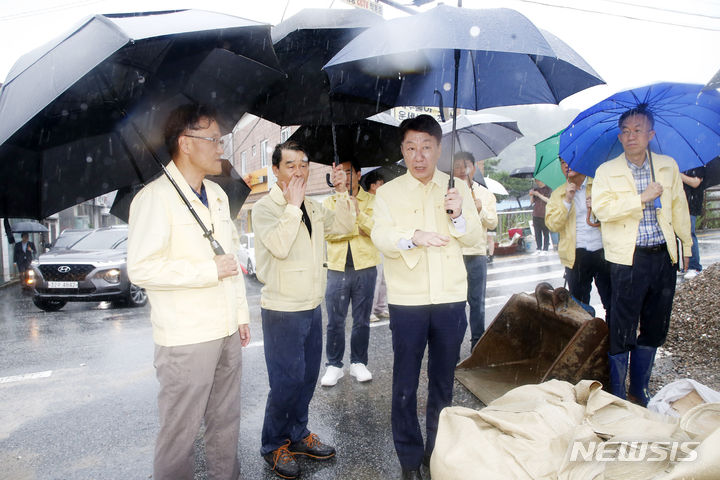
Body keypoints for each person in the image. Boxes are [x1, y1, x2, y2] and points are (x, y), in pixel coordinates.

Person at [127, 104, 251, 480]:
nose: (220, 147)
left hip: (226, 329)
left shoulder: (215, 193)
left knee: (225, 423)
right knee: (179, 434)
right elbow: (141, 268)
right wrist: (205, 270)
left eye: (221, 140)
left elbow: (229, 259)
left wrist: (241, 314)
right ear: (185, 143)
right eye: (213, 139)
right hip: (185, 339)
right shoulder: (153, 198)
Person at [371, 115, 482, 480]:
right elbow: (381, 236)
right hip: (408, 302)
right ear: (402, 151)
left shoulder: (457, 189)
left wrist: (459, 215)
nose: (419, 156)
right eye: (411, 148)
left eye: (426, 148)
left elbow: (475, 241)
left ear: (438, 149)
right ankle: (408, 457)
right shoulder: (388, 192)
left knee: (442, 381)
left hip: (450, 299)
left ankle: (436, 451)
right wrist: (413, 235)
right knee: (404, 382)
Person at [252, 140, 354, 479]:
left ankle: (297, 434)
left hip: (312, 306)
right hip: (282, 310)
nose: (299, 171)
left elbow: (344, 227)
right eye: (291, 165)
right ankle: (273, 444)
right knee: (286, 381)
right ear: (276, 170)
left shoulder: (312, 206)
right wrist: (292, 206)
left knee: (307, 378)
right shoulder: (266, 209)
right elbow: (279, 247)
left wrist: (341, 192)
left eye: (304, 164)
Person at [592, 107, 691, 406]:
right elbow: (602, 210)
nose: (631, 135)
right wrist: (641, 198)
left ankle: (639, 388)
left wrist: (685, 244)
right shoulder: (606, 171)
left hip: (662, 256)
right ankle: (619, 394)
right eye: (626, 130)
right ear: (619, 136)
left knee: (656, 324)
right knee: (622, 325)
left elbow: (679, 207)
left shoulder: (666, 166)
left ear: (651, 134)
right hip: (627, 258)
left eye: (638, 130)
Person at [320, 160, 380, 386]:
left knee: (361, 320)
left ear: (358, 173)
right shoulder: (329, 201)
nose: (343, 178)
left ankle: (358, 362)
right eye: (339, 173)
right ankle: (334, 365)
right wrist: (355, 227)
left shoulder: (372, 200)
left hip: (365, 267)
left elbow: (376, 231)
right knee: (335, 320)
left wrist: (357, 215)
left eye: (347, 173)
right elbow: (329, 234)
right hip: (337, 267)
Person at [546, 158, 611, 318]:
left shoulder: (599, 186)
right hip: (576, 255)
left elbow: (614, 215)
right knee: (579, 306)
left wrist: (596, 207)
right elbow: (553, 225)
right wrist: (567, 201)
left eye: (570, 160)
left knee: (612, 300)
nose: (566, 165)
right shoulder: (558, 194)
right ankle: (586, 339)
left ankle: (614, 340)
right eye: (562, 162)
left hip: (604, 251)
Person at [452, 151, 498, 349]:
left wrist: (481, 209)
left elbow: (493, 223)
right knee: (456, 304)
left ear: (474, 167)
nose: (462, 170)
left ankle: (477, 344)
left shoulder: (485, 194)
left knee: (477, 303)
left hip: (477, 254)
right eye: (458, 166)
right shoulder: (448, 192)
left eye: (466, 165)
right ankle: (453, 345)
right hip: (454, 255)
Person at [365, 169, 389, 322]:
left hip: (383, 243)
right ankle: (370, 310)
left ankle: (381, 307)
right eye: (381, 184)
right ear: (373, 186)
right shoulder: (367, 200)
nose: (383, 186)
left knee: (384, 278)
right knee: (376, 278)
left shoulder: (382, 201)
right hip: (371, 244)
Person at [680, 166, 705, 279]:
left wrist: (680, 175)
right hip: (678, 203)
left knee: (689, 234)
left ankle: (694, 266)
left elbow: (696, 182)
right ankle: (684, 266)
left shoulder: (697, 165)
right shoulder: (677, 163)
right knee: (679, 235)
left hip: (691, 204)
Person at [529, 179, 552, 254]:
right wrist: (531, 195)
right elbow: (532, 202)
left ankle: (545, 249)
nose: (537, 182)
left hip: (545, 214)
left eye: (538, 180)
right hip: (536, 213)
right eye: (536, 181)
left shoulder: (548, 189)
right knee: (537, 232)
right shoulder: (535, 189)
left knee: (545, 232)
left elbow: (548, 200)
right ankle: (538, 248)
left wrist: (538, 194)